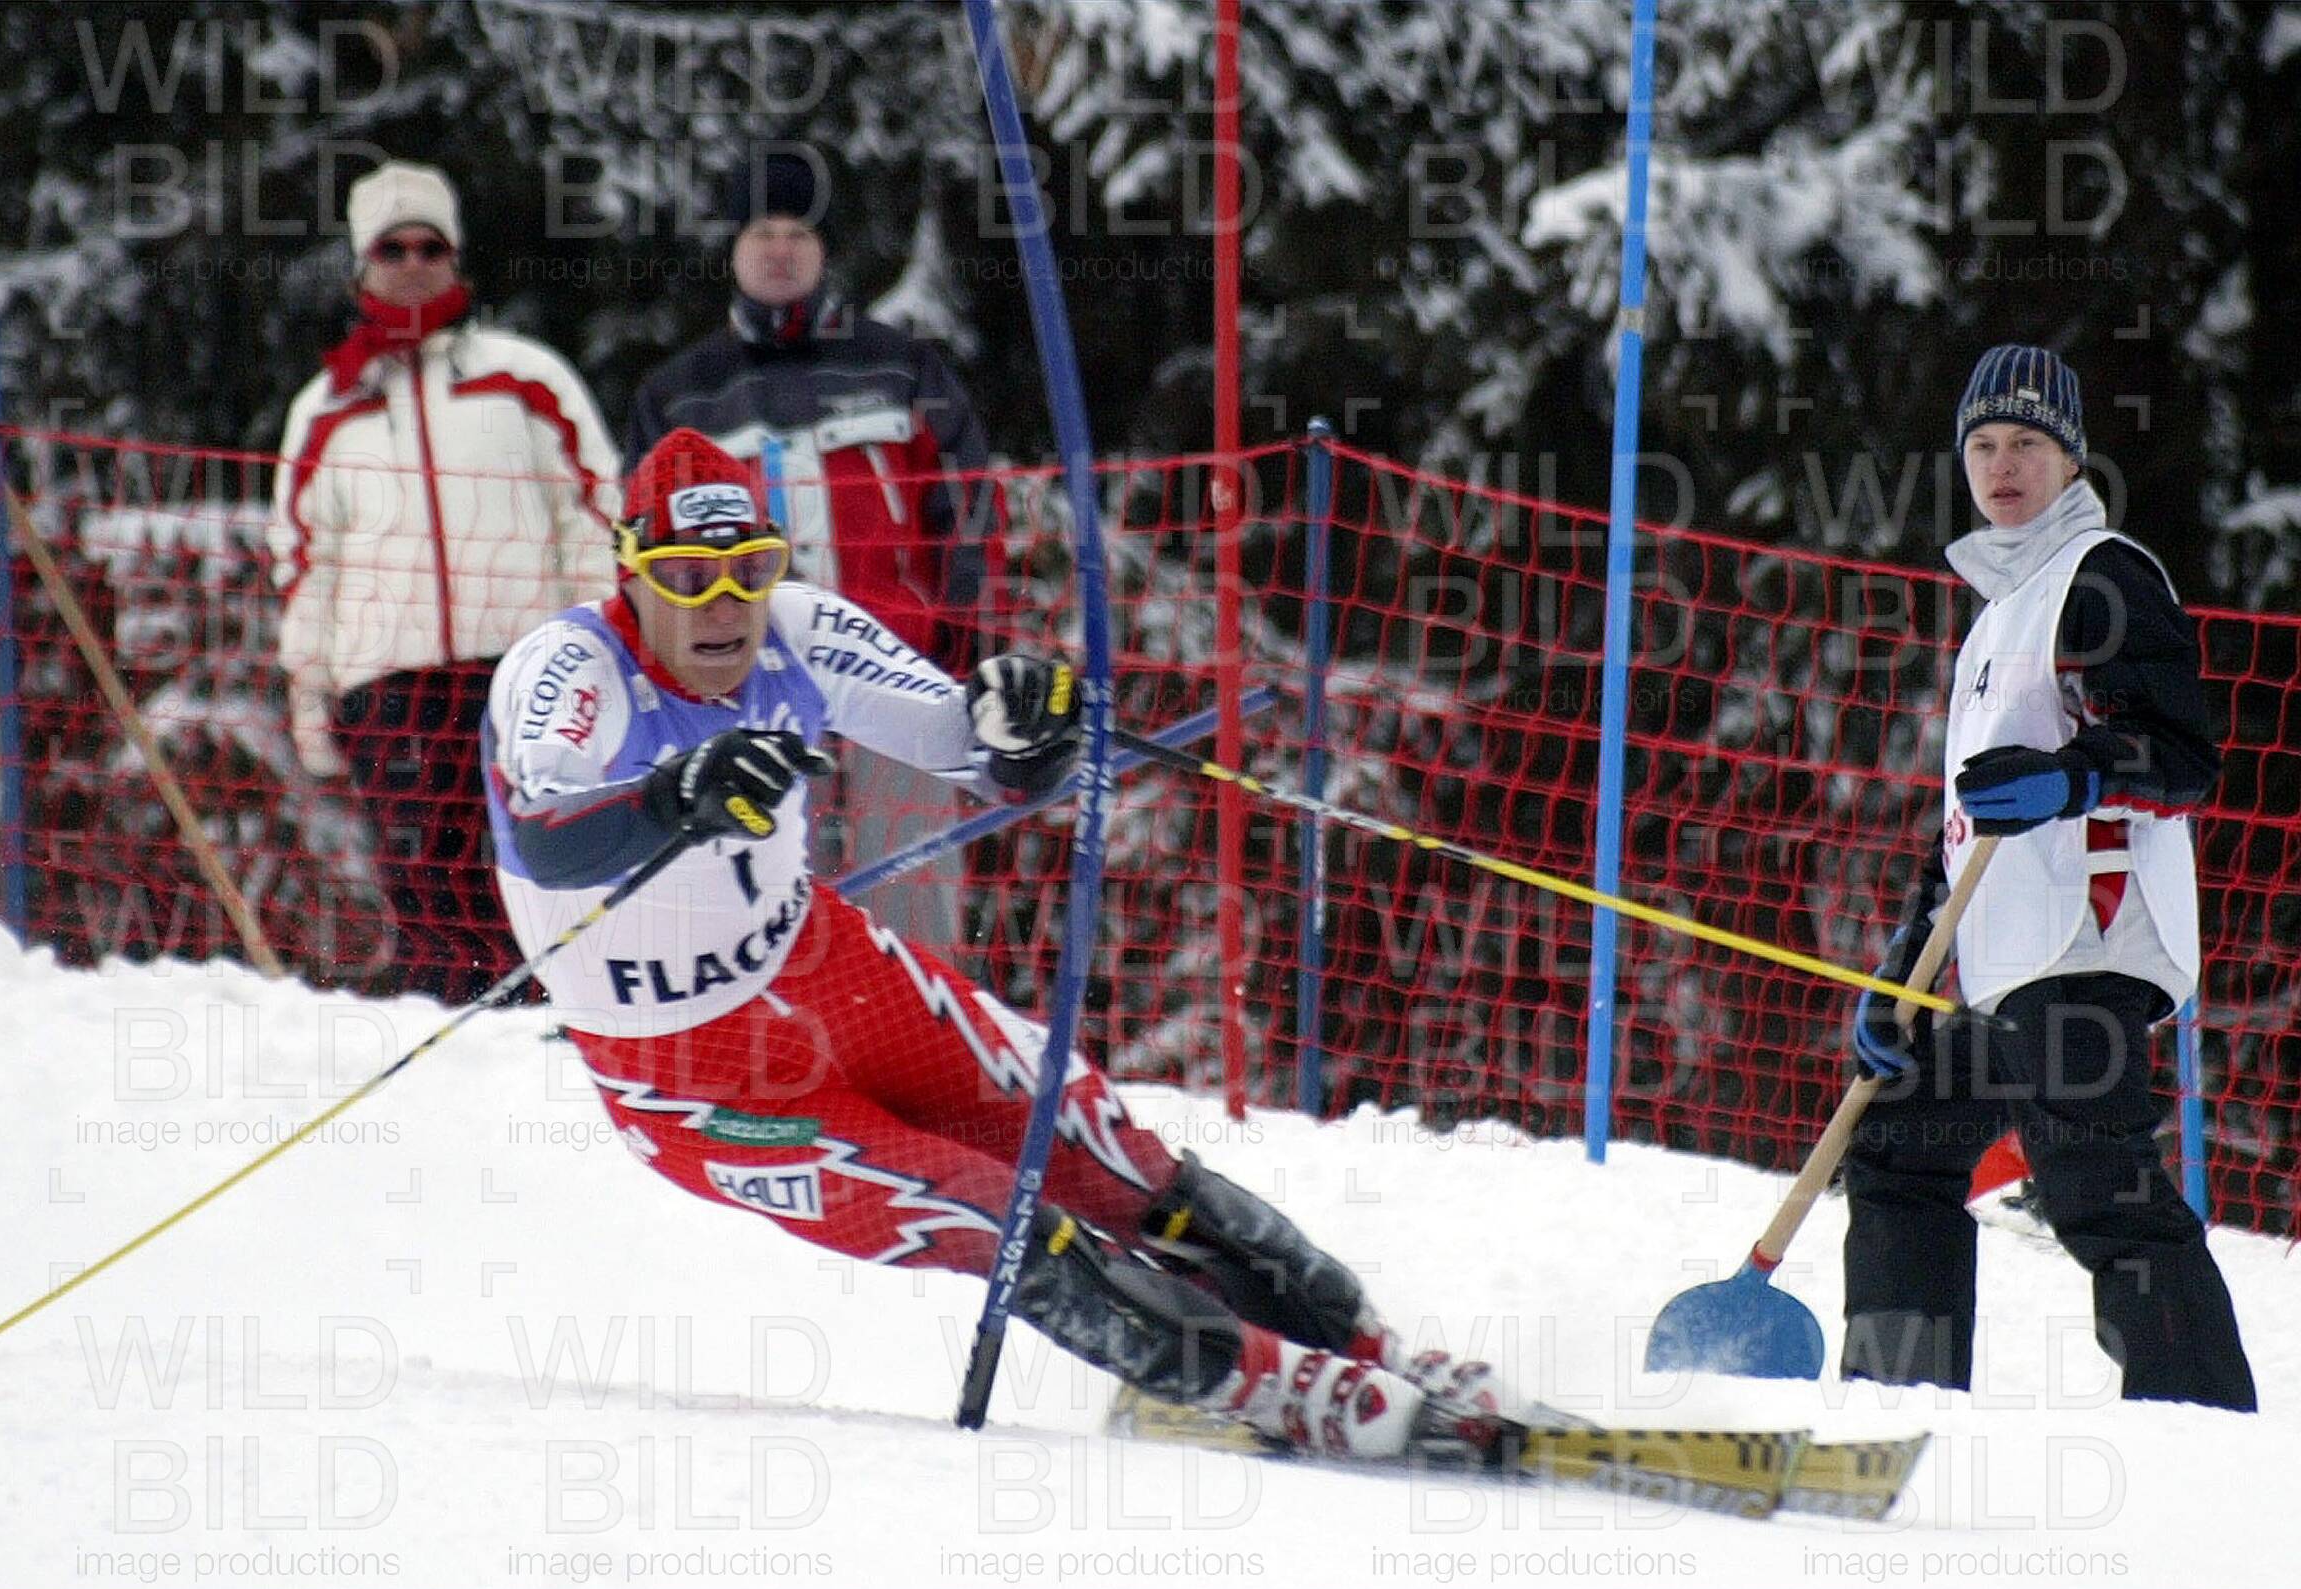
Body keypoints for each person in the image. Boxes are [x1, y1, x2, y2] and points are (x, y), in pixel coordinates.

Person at [479, 428, 1513, 1460]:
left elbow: (968, 747)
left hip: (832, 972)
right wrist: (670, 796)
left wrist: (1022, 726)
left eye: (749, 570)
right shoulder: (570, 669)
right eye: (686, 576)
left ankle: (1371, 1346)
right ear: (630, 573)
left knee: (1106, 1151)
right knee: (997, 1217)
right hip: (686, 1069)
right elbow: (541, 829)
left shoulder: (797, 628)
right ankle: (1277, 1388)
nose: (723, 605)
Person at [1843, 344, 2256, 1410]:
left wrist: (2074, 777)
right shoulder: (1999, 611)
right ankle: (1899, 1402)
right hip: (2011, 964)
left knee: (2098, 1192)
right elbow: (1967, 825)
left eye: (2027, 441)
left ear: (2071, 458)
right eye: (1983, 443)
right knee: (1898, 1137)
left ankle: (2202, 1421)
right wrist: (1904, 965)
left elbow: (2181, 754)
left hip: (2087, 946)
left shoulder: (2103, 575)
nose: (2002, 464)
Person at [623, 149, 996, 949]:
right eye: (762, 232)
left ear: (826, 250)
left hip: (899, 676)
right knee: (772, 910)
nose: (780, 250)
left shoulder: (901, 367)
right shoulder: (680, 393)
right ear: (733, 249)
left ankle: (928, 1021)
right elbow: (640, 559)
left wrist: (959, 646)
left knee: (915, 908)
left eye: (799, 232)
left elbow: (967, 511)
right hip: (751, 693)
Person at [269, 160, 620, 1001]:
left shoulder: (525, 377)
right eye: (393, 249)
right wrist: (310, 691)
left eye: (430, 246)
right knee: (425, 887)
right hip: (388, 690)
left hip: (522, 675)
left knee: (535, 872)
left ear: (455, 257)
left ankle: (551, 1027)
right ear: (362, 266)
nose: (414, 264)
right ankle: (441, 1036)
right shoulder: (326, 407)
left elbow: (594, 519)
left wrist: (600, 653)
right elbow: (305, 561)